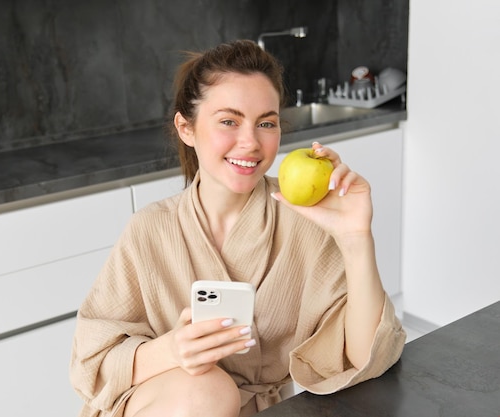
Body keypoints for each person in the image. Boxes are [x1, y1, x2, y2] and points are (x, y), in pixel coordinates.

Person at [70, 39, 406, 417]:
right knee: (208, 390)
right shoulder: (150, 229)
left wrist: (356, 237)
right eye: (229, 121)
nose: (250, 143)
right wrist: (173, 350)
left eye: (266, 123)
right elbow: (91, 360)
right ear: (186, 128)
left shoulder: (303, 219)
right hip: (166, 406)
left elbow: (363, 358)